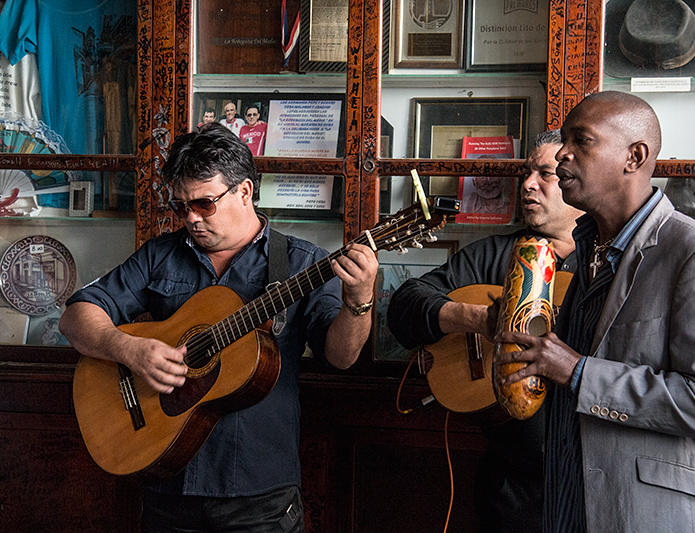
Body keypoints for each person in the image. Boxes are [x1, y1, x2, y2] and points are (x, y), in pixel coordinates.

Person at [59, 121, 378, 532]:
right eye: (180, 206)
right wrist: (129, 350)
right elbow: (76, 315)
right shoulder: (160, 256)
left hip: (258, 492)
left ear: (244, 191)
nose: (191, 218)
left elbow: (341, 357)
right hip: (167, 479)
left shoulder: (301, 264)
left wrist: (359, 300)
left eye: (204, 204)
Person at [494, 91, 695, 532]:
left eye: (582, 140)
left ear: (635, 156)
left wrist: (578, 372)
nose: (562, 154)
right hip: (569, 508)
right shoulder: (588, 246)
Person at [387, 130, 583, 533]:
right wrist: (476, 320)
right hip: (512, 489)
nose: (527, 184)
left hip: (590, 481)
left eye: (544, 174)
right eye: (525, 173)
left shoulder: (607, 264)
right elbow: (405, 303)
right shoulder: (496, 253)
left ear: (576, 180)